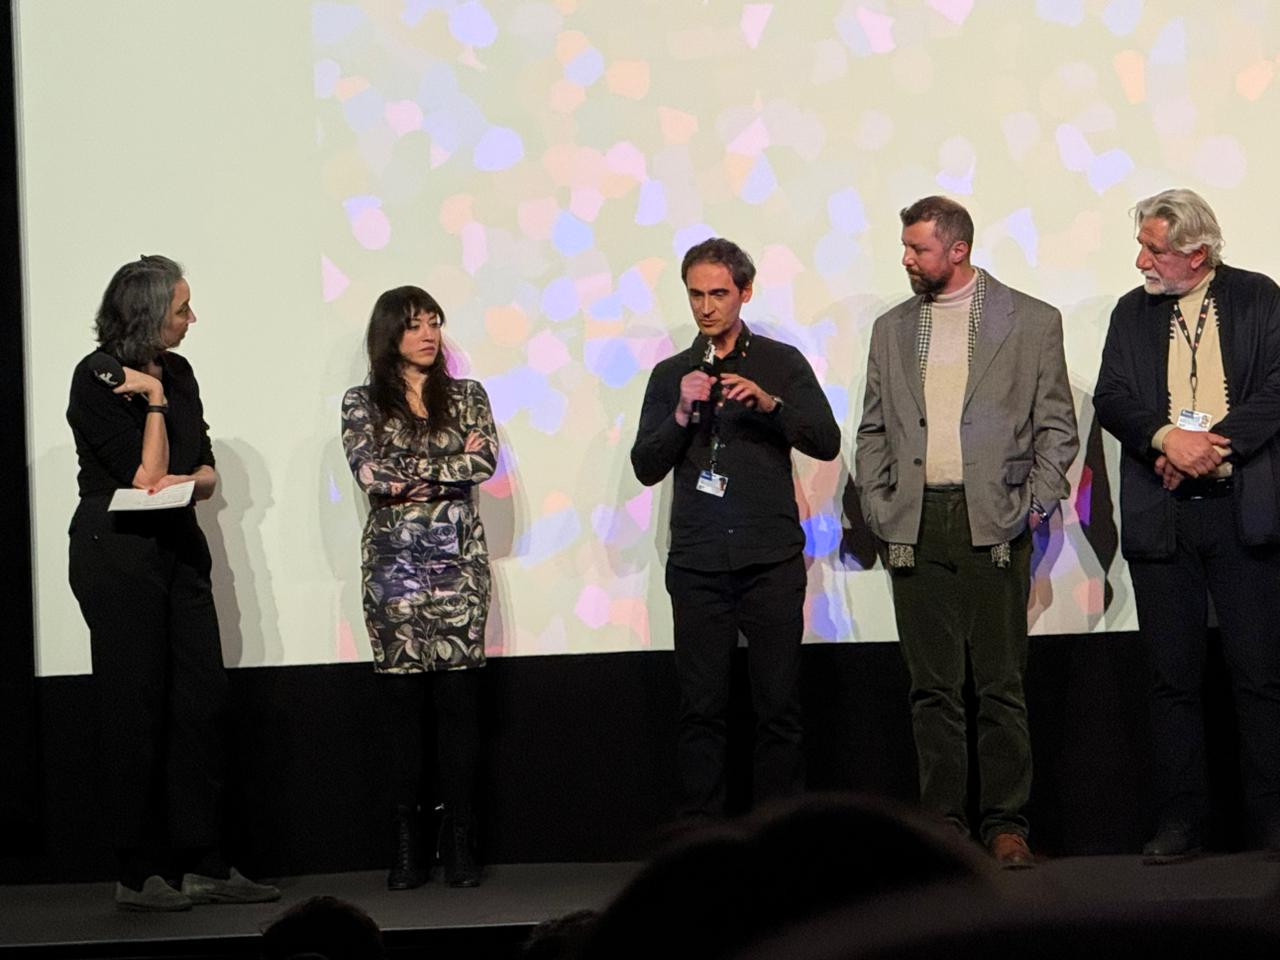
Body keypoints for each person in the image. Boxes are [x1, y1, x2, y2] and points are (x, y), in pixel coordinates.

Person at [854, 197, 1078, 867]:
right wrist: (880, 504)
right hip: (916, 521)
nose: (906, 258)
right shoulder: (893, 328)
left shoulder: (1031, 320)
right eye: (905, 246)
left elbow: (1057, 427)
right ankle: (944, 829)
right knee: (932, 689)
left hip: (994, 519)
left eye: (917, 248)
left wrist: (1031, 505)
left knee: (1000, 684)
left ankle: (1007, 825)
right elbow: (872, 428)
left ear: (957, 250)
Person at [66, 255, 279, 911]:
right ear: (148, 312)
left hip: (177, 546)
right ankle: (138, 871)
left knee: (200, 701)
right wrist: (153, 401)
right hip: (118, 550)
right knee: (136, 708)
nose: (192, 319)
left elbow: (202, 468)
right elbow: (144, 475)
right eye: (181, 309)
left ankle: (203, 861)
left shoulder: (179, 371)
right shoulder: (98, 374)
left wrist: (192, 474)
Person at [1094, 189, 1280, 863]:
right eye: (1143, 246)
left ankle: (1271, 822)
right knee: (1172, 680)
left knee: (1260, 676)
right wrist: (1167, 439)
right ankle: (1181, 822)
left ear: (1197, 253)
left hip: (1242, 512)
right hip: (1164, 515)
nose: (1141, 260)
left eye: (1154, 249)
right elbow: (1113, 396)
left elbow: (1277, 388)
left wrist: (1209, 447)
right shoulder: (1131, 311)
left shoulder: (1258, 298)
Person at [630, 238, 840, 819]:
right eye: (695, 295)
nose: (706, 307)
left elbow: (826, 442)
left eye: (718, 293)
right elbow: (646, 466)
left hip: (769, 560)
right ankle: (704, 838)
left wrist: (772, 406)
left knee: (779, 709)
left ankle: (780, 835)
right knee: (701, 710)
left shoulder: (781, 362)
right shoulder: (671, 374)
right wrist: (679, 413)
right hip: (698, 563)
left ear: (745, 292)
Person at [341, 285, 497, 888]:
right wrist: (443, 472)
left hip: (459, 565)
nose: (429, 334)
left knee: (459, 706)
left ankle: (460, 842)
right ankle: (407, 845)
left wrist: (410, 474)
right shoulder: (362, 402)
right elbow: (371, 475)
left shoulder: (467, 396)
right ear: (390, 335)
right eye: (414, 325)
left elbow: (482, 464)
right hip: (393, 569)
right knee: (402, 710)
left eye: (434, 322)